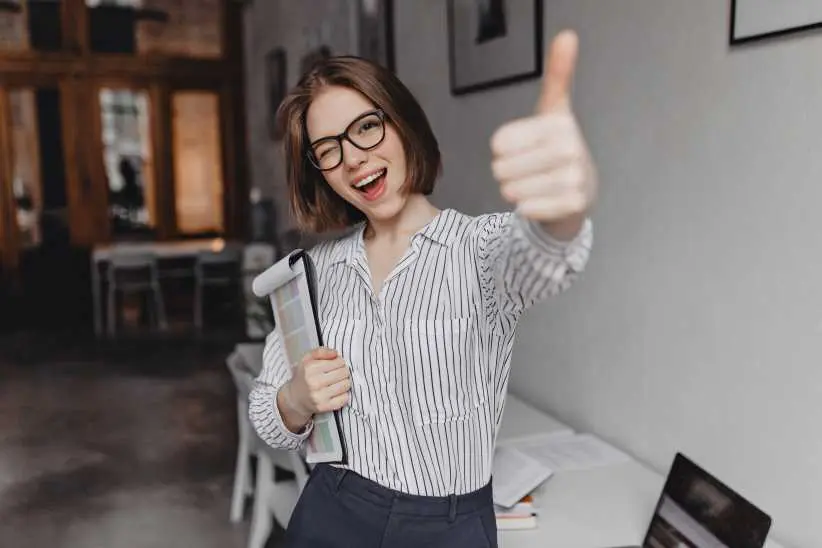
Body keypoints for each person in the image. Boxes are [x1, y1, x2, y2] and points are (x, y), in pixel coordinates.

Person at [249, 29, 597, 548]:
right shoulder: (312, 273)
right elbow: (266, 414)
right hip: (332, 508)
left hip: (450, 526)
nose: (353, 158)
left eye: (366, 127)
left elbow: (543, 257)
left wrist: (565, 204)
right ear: (320, 173)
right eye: (328, 149)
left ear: (402, 123)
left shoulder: (480, 249)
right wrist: (295, 399)